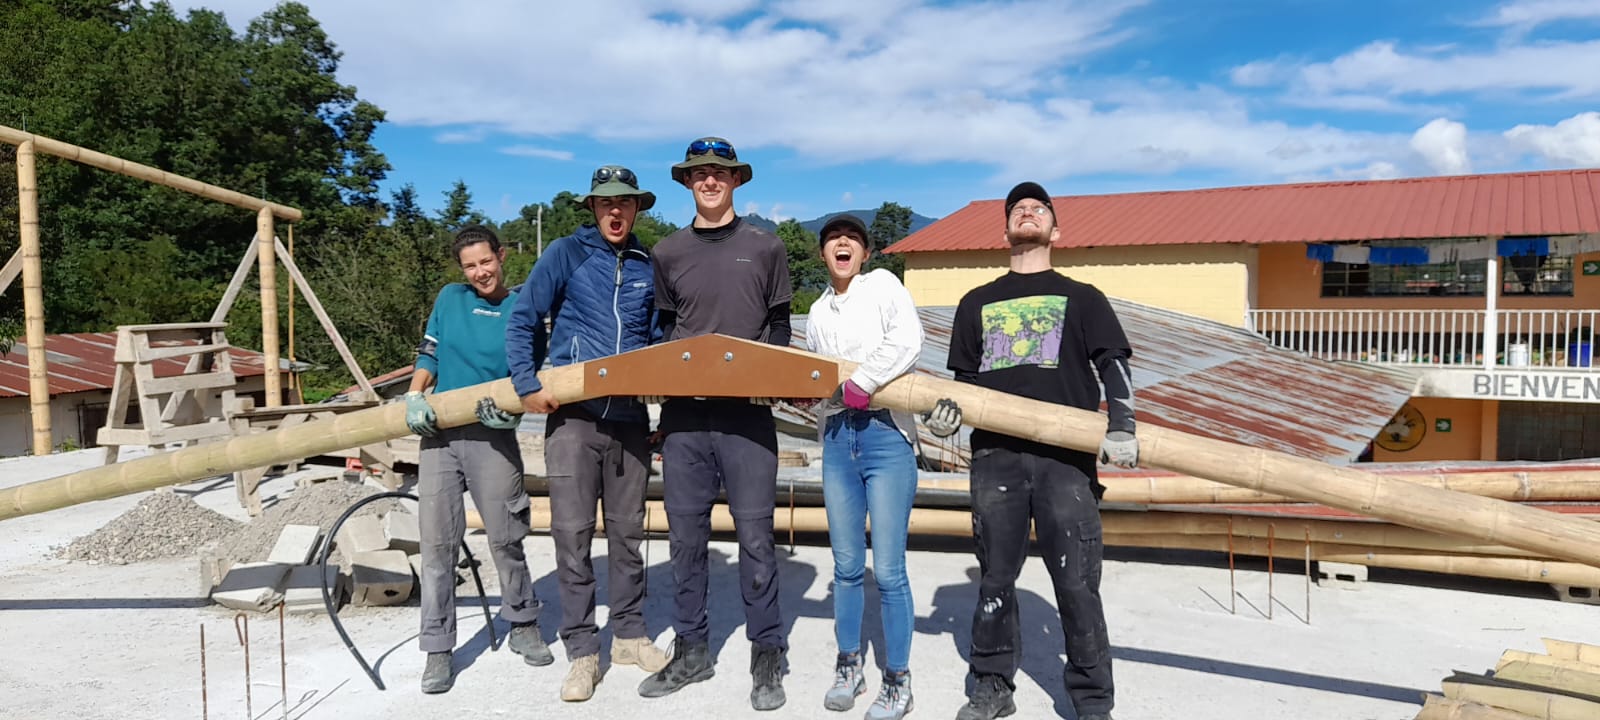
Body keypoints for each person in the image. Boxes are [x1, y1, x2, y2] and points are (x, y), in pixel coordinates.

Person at [928, 182, 1138, 720]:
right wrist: (950, 414)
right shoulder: (976, 302)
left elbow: (1112, 362)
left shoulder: (1083, 296)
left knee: (1075, 582)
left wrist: (1123, 424)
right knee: (996, 579)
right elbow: (964, 384)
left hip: (1064, 460)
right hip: (995, 457)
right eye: (1017, 208)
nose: (1027, 211)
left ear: (1055, 230)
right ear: (1005, 231)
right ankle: (992, 685)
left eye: (1038, 208)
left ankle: (1092, 702)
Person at [637, 136, 794, 712]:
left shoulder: (766, 246)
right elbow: (663, 330)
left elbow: (779, 327)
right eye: (699, 172)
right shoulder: (668, 252)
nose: (709, 180)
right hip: (683, 418)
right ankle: (693, 649)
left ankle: (767, 652)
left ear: (736, 181)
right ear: (686, 182)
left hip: (747, 417)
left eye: (719, 172)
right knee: (686, 541)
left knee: (756, 539)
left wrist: (768, 379)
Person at [504, 166, 670, 702]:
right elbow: (524, 317)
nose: (616, 213)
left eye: (625, 204)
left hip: (628, 422)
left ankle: (628, 635)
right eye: (605, 205)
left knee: (628, 536)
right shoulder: (565, 253)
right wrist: (527, 383)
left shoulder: (648, 263)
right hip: (573, 420)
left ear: (637, 208)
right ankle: (581, 652)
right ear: (593, 209)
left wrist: (667, 408)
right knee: (572, 537)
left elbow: (660, 342)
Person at [403, 225, 551, 694]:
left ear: (501, 256)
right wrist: (414, 396)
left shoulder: (521, 308)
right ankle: (438, 650)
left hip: (493, 435)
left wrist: (510, 416)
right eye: (470, 265)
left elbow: (530, 374)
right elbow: (430, 354)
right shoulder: (450, 298)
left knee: (507, 536)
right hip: (440, 437)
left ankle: (523, 624)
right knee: (437, 546)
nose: (480, 272)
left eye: (485, 261)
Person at [804, 213, 924, 720]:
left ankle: (898, 680)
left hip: (885, 436)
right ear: (824, 254)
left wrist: (867, 380)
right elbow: (817, 377)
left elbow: (908, 339)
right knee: (847, 566)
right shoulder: (815, 311)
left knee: (890, 569)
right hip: (837, 438)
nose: (843, 243)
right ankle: (849, 664)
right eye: (834, 238)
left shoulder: (884, 287)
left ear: (866, 252)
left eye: (852, 238)